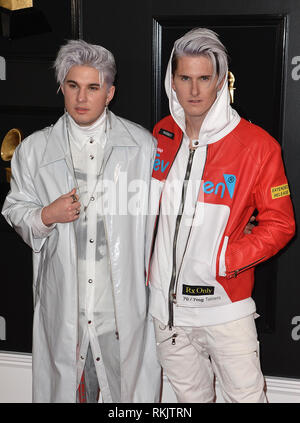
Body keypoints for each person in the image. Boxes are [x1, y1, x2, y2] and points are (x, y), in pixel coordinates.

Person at [2, 39, 161, 403]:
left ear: (110, 92)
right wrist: (45, 216)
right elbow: (15, 209)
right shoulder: (35, 149)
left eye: (93, 87)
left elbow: (164, 217)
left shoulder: (142, 146)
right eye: (72, 85)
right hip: (65, 312)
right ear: (62, 88)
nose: (81, 97)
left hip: (121, 312)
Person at [148, 28, 295, 403]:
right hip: (167, 315)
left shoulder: (258, 146)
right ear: (172, 82)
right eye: (185, 78)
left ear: (220, 82)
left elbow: (280, 224)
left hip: (225, 312)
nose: (194, 90)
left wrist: (226, 259)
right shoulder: (161, 135)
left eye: (204, 78)